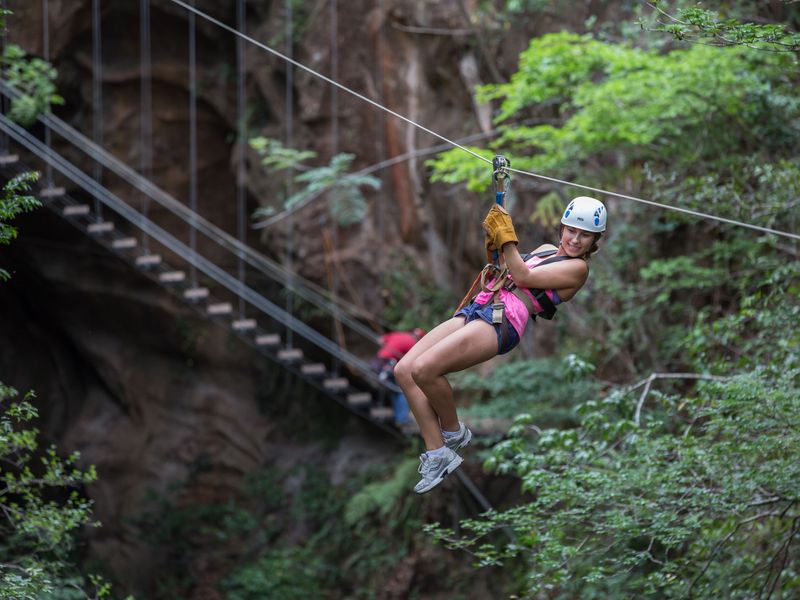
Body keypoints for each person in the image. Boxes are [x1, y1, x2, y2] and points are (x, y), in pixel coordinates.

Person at [394, 196, 607, 493]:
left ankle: (454, 433)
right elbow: (511, 267)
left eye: (585, 235)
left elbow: (525, 276)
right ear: (562, 227)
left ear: (595, 240)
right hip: (482, 306)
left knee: (425, 369)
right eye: (572, 230)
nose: (575, 239)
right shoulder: (546, 250)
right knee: (404, 370)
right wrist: (498, 241)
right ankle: (438, 452)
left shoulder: (577, 270)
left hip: (504, 320)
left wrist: (508, 238)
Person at [373, 328, 426, 427]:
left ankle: (399, 416)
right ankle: (402, 418)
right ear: (420, 338)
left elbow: (380, 340)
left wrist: (390, 348)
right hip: (390, 364)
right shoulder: (414, 343)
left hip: (379, 361)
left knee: (395, 390)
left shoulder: (398, 334)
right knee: (402, 390)